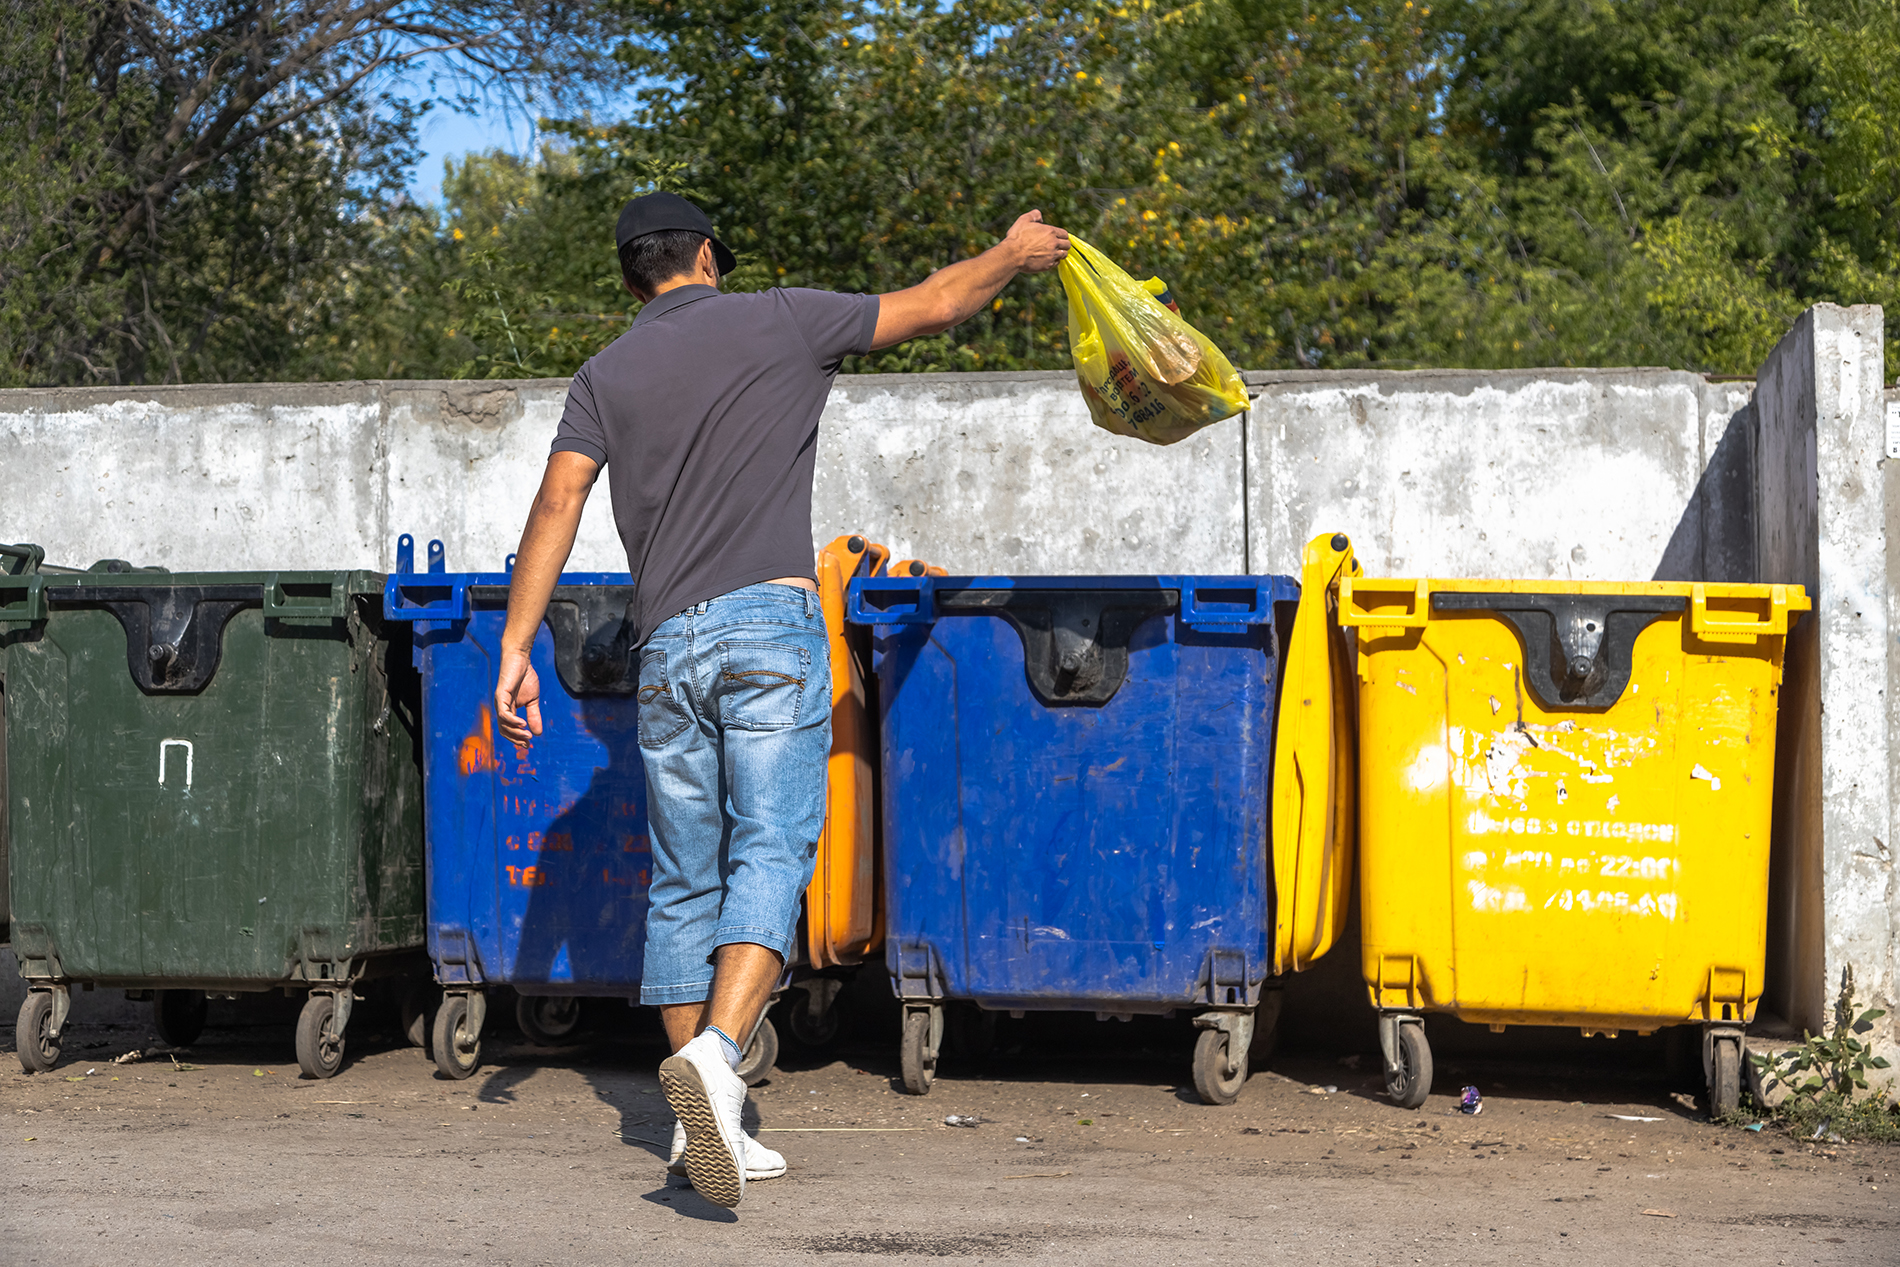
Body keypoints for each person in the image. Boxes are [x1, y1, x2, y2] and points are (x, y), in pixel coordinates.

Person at [493, 191, 1069, 1209]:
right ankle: (716, 1059)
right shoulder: (781, 317)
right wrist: (1014, 254)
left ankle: (699, 1120)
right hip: (768, 629)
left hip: (665, 643)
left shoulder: (603, 376)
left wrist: (515, 645)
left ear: (633, 279)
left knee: (680, 878)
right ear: (707, 255)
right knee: (769, 846)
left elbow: (558, 500)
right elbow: (934, 305)